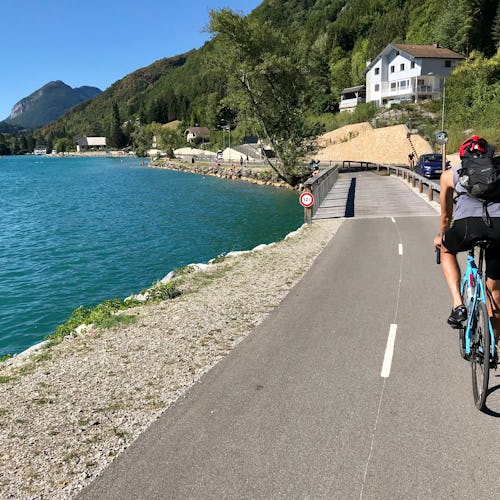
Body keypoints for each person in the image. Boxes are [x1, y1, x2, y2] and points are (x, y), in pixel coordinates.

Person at [433, 136, 500, 344]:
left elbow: (445, 216)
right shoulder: (497, 168)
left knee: (446, 249)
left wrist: (441, 236)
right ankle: (492, 347)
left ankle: (458, 305)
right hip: (498, 228)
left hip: (466, 228)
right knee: (495, 291)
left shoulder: (448, 175)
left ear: (462, 155)